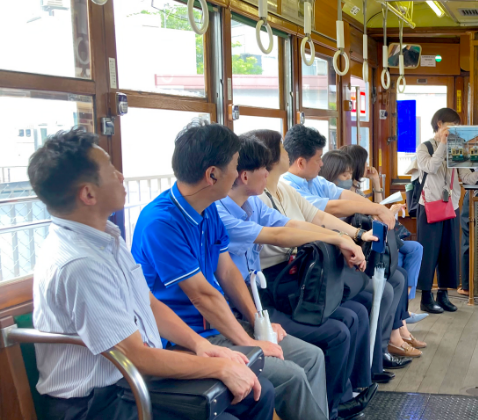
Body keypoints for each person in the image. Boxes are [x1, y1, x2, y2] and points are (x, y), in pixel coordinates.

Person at [28, 128, 275, 420]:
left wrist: (202, 346)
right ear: (88, 193)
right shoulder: (79, 264)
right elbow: (135, 355)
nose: (121, 176)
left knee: (261, 394)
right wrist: (219, 367)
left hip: (131, 379)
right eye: (110, 170)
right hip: (97, 402)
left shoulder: (106, 237)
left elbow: (148, 302)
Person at [131, 122, 328, 420]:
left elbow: (226, 273)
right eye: (235, 167)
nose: (240, 175)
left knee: (312, 357)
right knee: (291, 376)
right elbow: (202, 296)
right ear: (212, 175)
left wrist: (257, 324)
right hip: (187, 339)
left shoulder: (208, 208)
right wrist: (249, 342)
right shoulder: (160, 221)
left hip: (222, 326)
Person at [215, 136, 378, 420]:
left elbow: (292, 223)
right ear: (242, 174)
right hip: (248, 304)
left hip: (255, 300)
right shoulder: (219, 213)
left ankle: (335, 405)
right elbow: (277, 235)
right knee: (333, 334)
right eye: (264, 167)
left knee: (349, 316)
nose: (268, 172)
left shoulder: (253, 205)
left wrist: (344, 237)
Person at [246, 129, 405, 386]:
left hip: (300, 275)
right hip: (281, 282)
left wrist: (355, 233)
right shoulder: (258, 200)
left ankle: (360, 383)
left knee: (360, 309)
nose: (288, 152)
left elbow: (316, 217)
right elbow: (285, 232)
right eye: (283, 150)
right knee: (347, 321)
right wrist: (342, 238)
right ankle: (339, 399)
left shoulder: (283, 192)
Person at [280, 124, 414, 371]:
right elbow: (326, 209)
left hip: (335, 258)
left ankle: (379, 354)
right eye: (319, 158)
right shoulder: (288, 186)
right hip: (314, 269)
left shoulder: (314, 181)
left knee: (391, 282)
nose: (322, 164)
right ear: (300, 162)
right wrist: (374, 210)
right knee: (376, 293)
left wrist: (375, 208)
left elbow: (343, 197)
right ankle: (371, 363)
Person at [322, 149, 427, 356]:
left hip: (364, 244)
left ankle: (399, 327)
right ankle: (396, 333)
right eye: (344, 175)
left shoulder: (349, 192)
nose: (348, 178)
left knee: (403, 267)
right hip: (353, 253)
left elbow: (375, 208)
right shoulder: (329, 197)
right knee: (397, 275)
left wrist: (377, 185)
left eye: (349, 174)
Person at [414, 108, 478, 314]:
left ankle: (443, 295)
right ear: (439, 124)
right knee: (428, 253)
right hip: (429, 206)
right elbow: (431, 167)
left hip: (451, 205)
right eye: (452, 126)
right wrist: (443, 144)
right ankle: (426, 297)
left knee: (448, 252)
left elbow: (467, 179)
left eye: (458, 127)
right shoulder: (424, 147)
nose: (455, 130)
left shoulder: (457, 147)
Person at [339, 144, 428, 324]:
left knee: (413, 250)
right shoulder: (346, 192)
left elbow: (377, 210)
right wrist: (389, 211)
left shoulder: (357, 189)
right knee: (403, 261)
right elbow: (375, 214)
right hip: (367, 239)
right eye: (364, 162)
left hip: (375, 234)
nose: (367, 166)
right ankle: (403, 316)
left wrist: (376, 182)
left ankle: (404, 310)